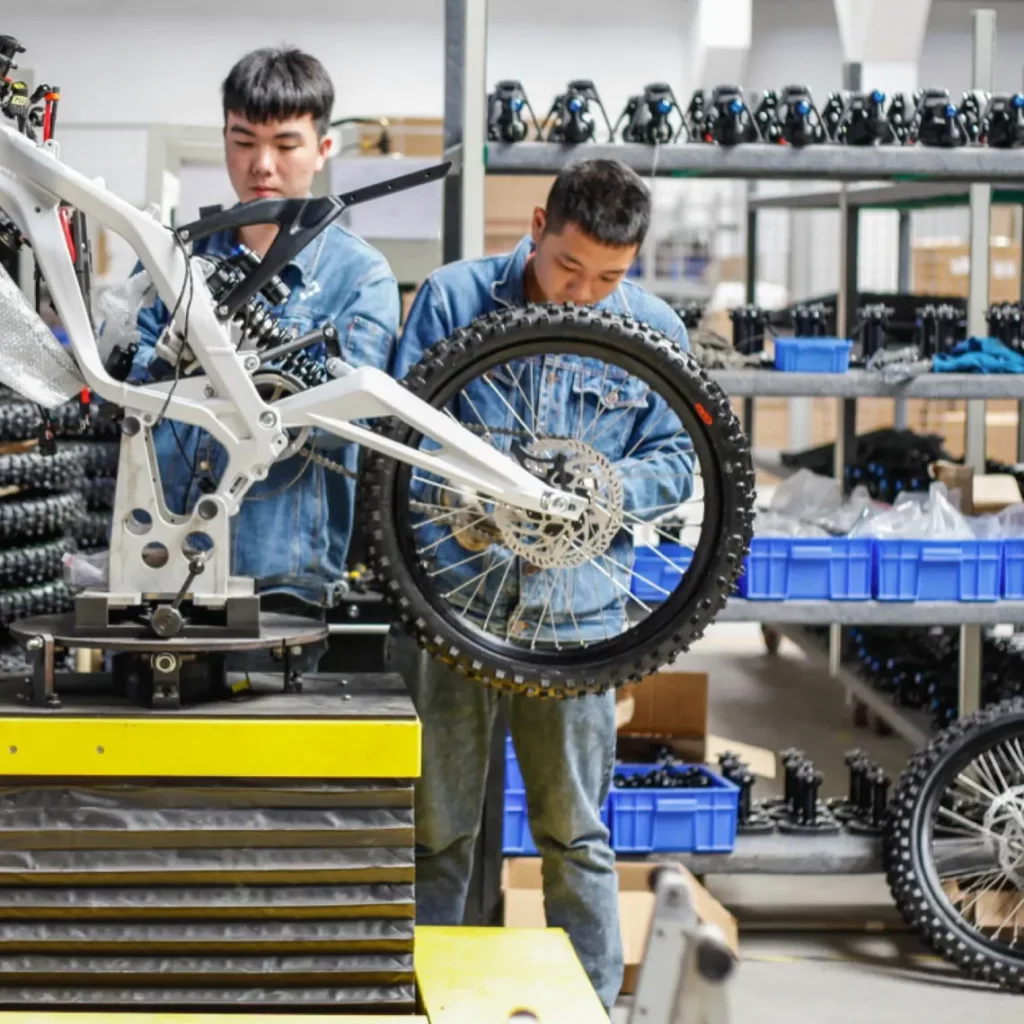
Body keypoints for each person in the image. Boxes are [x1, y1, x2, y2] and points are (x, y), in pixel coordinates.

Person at [391, 158, 692, 1010]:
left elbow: (683, 455)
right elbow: (400, 437)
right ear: (536, 226)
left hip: (578, 618)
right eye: (568, 266)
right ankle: (422, 1002)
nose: (582, 294)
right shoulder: (454, 300)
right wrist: (468, 501)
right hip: (451, 603)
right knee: (436, 832)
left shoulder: (652, 328)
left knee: (575, 833)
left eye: (609, 277)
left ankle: (590, 1006)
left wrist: (605, 492)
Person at [128, 47, 398, 627]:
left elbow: (351, 426)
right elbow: (130, 396)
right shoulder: (171, 258)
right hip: (160, 563)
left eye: (286, 144)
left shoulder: (360, 277)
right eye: (244, 141)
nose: (262, 166)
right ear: (224, 138)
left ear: (323, 149)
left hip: (283, 580)